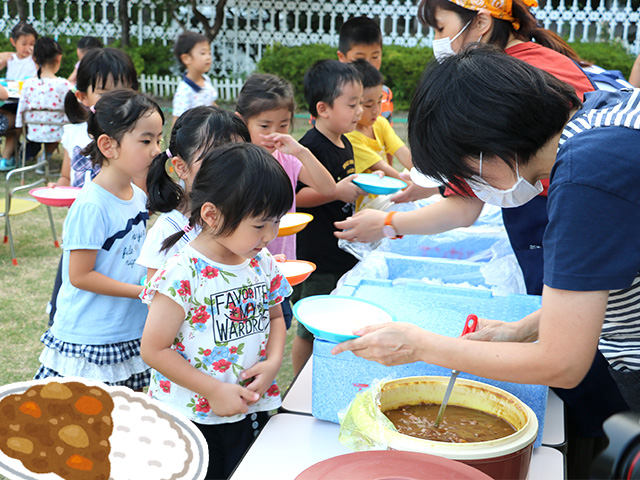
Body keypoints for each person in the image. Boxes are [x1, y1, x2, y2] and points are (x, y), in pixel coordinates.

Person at [333, 43, 639, 461]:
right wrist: (521, 330)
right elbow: (602, 280)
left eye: (468, 174)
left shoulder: (585, 178)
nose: (474, 189)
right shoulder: (604, 120)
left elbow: (563, 363)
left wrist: (420, 346)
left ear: (488, 147)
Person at [140, 142, 293, 479]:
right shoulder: (183, 272)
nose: (270, 235)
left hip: (249, 405)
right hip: (189, 417)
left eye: (276, 222)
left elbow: (277, 316)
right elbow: (154, 348)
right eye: (259, 225)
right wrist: (212, 389)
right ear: (211, 214)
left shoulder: (261, 262)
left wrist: (273, 362)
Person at [35, 89, 164, 390]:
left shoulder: (138, 196)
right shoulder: (92, 205)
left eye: (158, 139)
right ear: (108, 145)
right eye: (146, 141)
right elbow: (80, 276)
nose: (156, 150)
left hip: (125, 330)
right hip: (89, 336)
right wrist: (141, 291)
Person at [46, 47, 140, 327]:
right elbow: (67, 178)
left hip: (120, 238)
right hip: (84, 234)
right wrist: (58, 188)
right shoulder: (74, 133)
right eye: (104, 92)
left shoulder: (136, 140)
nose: (117, 101)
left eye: (125, 90)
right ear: (82, 96)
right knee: (69, 297)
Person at [236, 73, 336, 329]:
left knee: (279, 327)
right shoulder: (235, 166)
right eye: (264, 126)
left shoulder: (288, 161)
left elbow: (328, 188)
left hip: (280, 269)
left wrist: (300, 150)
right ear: (242, 122)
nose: (274, 134)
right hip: (242, 271)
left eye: (283, 126)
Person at [290, 59, 366, 374]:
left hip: (341, 253)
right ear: (323, 108)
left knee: (334, 321)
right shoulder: (312, 146)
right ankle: (297, 384)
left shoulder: (344, 140)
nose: (360, 110)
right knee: (309, 328)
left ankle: (324, 376)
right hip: (317, 255)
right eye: (352, 104)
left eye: (360, 103)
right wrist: (335, 191)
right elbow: (295, 197)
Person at [138, 106, 251, 281]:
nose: (230, 167)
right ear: (182, 167)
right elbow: (157, 302)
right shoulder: (167, 231)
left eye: (238, 156)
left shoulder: (244, 214)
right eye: (215, 158)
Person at [15, 37, 71, 166]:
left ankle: (36, 158)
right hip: (57, 132)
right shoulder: (63, 84)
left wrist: (20, 127)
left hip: (33, 131)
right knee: (65, 124)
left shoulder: (28, 84)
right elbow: (69, 111)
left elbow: (21, 109)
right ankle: (46, 157)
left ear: (34, 58)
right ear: (59, 58)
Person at [337, 16, 393, 125]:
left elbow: (387, 136)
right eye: (360, 58)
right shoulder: (330, 93)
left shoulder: (385, 94)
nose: (369, 64)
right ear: (342, 57)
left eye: (375, 57)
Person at [0, 22, 38, 171]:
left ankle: (9, 157)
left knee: (18, 124)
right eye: (24, 44)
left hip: (28, 102)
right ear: (13, 42)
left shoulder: (34, 61)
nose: (28, 48)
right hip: (10, 102)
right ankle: (9, 158)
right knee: (15, 124)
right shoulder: (10, 58)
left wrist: (36, 58)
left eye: (32, 44)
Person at [172, 31, 218, 126]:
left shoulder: (206, 80)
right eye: (203, 53)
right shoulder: (184, 91)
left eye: (209, 53)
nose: (208, 57)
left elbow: (212, 104)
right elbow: (177, 121)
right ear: (186, 58)